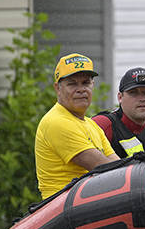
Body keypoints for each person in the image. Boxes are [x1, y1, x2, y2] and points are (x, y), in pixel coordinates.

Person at [35, 53, 119, 199]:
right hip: (60, 209)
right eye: (72, 84)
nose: (81, 89)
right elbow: (106, 169)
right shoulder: (57, 122)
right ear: (58, 88)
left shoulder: (92, 125)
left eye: (86, 83)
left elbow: (119, 166)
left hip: (84, 202)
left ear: (93, 86)